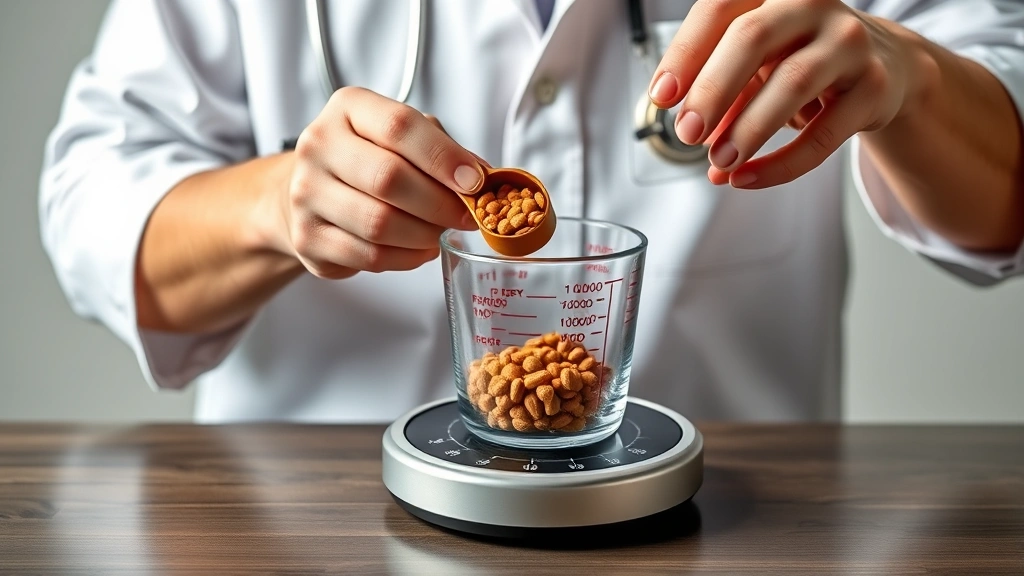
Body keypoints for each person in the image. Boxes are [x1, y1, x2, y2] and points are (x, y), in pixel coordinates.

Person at [40, 0, 1024, 423]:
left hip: (727, 533)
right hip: (310, 530)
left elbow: (1005, 193)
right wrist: (278, 202)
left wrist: (914, 81)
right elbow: (91, 210)